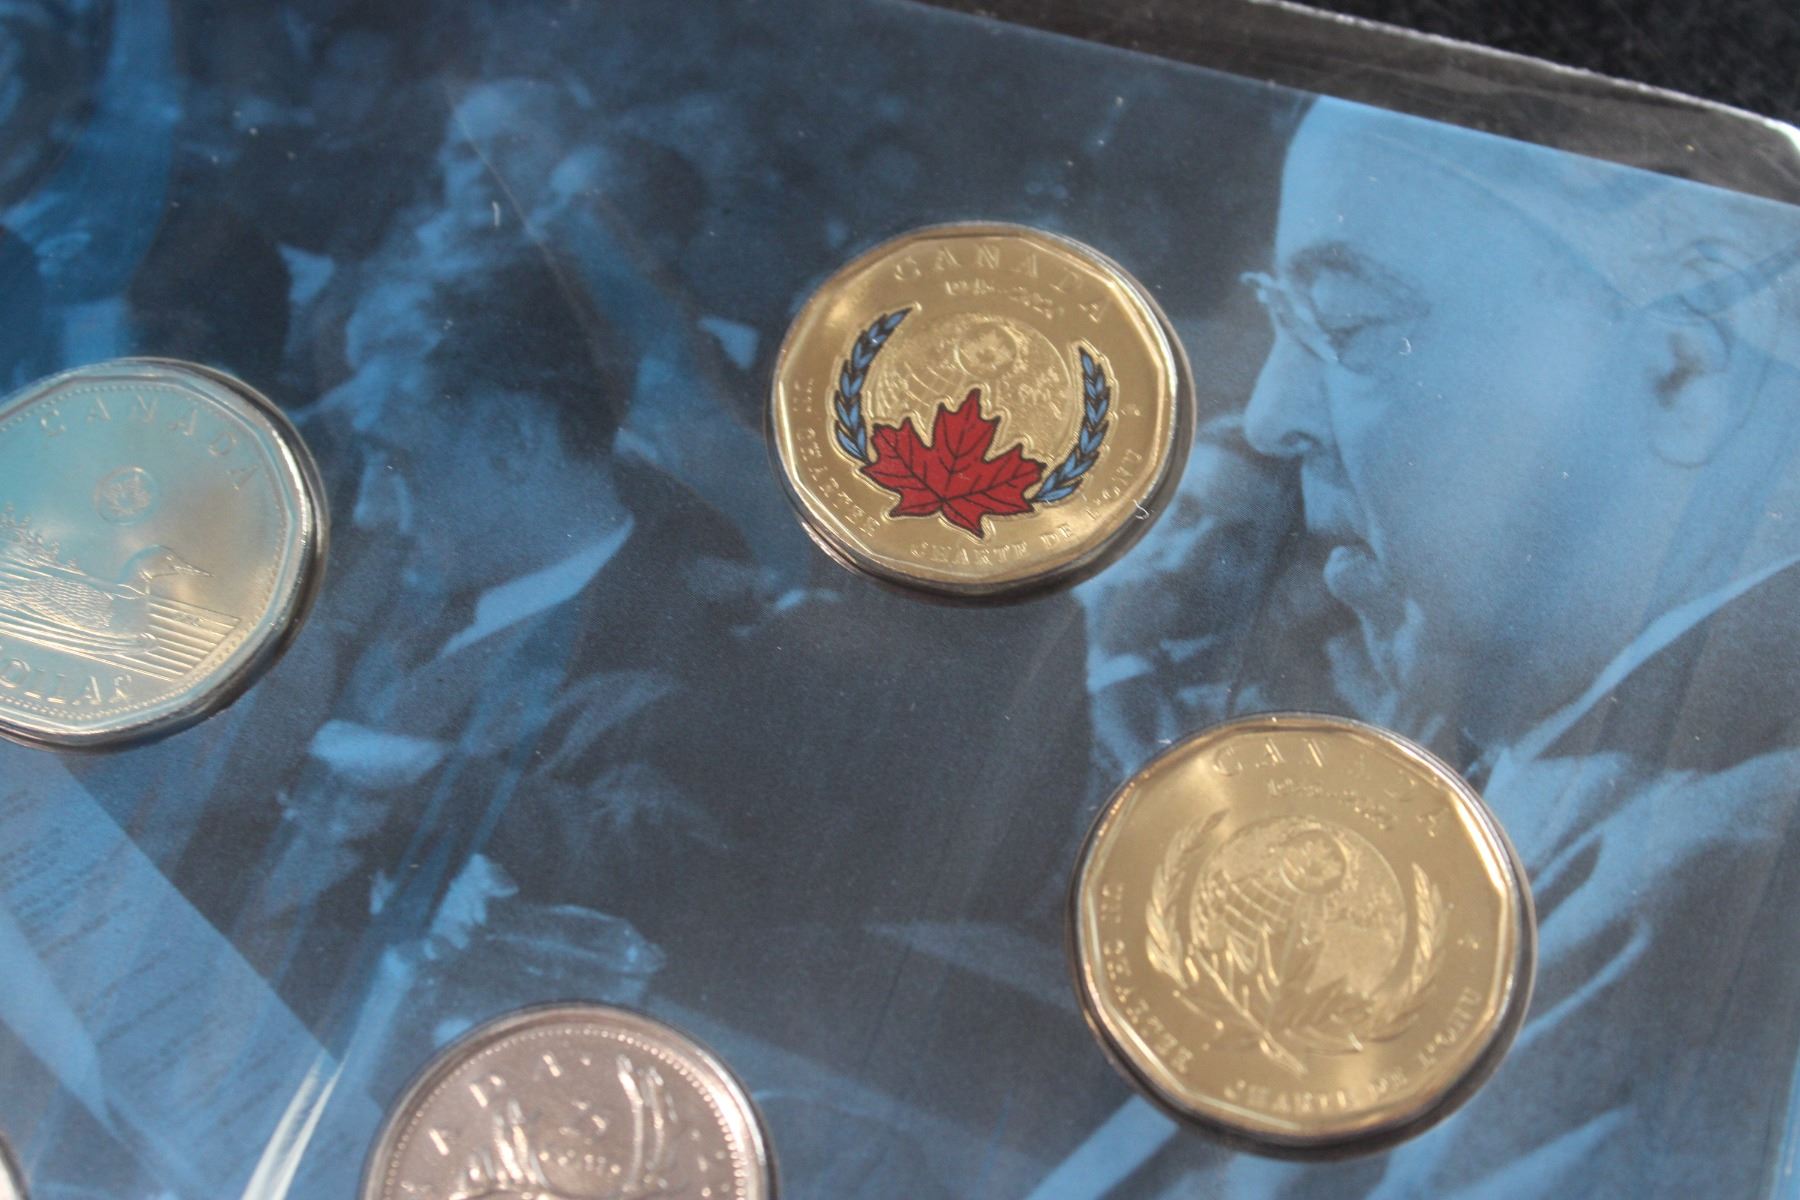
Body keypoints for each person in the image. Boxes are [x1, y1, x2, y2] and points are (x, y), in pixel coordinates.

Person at [1201, 98, 1800, 1197]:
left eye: (1351, 326)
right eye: (1280, 323)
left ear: (1683, 374)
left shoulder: (1692, 876)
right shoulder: (1615, 771)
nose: (1271, 415)